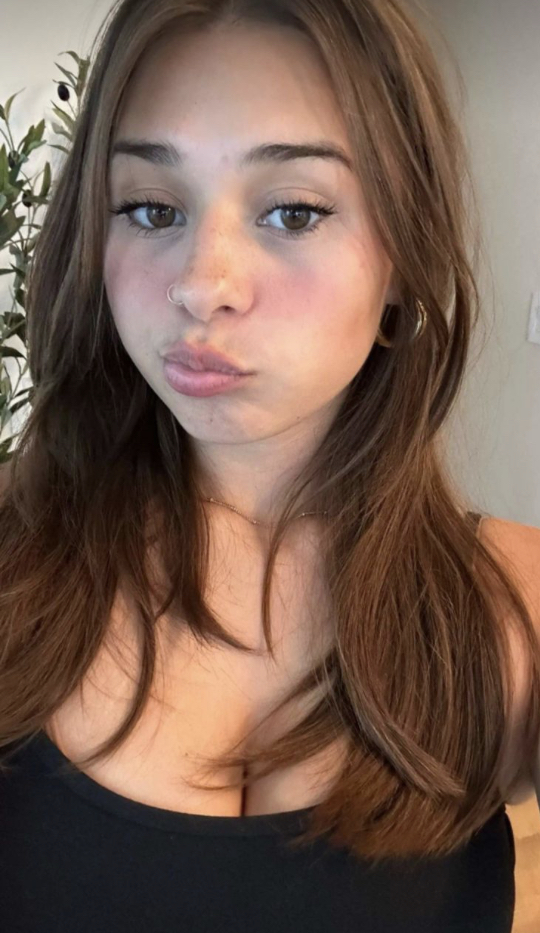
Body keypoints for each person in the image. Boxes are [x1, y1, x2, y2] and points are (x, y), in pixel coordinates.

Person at [0, 0, 539, 930]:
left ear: (403, 258)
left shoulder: (513, 604)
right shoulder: (14, 552)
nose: (201, 284)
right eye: (151, 208)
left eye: (294, 211)